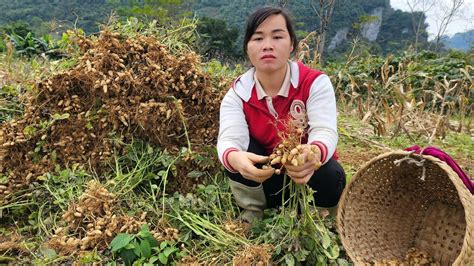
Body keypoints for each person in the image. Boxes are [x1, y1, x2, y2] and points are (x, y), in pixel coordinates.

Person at [217, 6, 346, 222]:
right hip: (268, 179)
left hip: (309, 176)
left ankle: (318, 218)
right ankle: (253, 211)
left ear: (292, 44)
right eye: (258, 38)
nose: (268, 45)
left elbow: (325, 131)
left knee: (330, 172)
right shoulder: (237, 94)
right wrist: (234, 158)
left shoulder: (314, 82)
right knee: (236, 152)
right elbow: (229, 138)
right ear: (247, 48)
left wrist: (313, 153)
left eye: (277, 36)